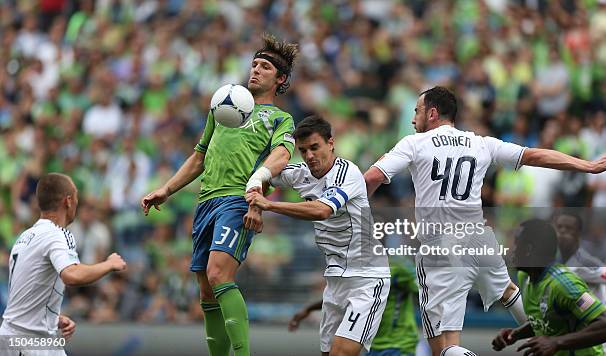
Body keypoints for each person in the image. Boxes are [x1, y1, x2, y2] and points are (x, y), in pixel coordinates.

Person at [363, 86, 606, 355]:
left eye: (417, 112)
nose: (413, 120)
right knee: (507, 290)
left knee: (444, 349)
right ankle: (550, 342)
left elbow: (371, 178)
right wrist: (587, 165)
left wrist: (357, 221)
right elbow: (535, 155)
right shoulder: (480, 142)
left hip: (440, 247)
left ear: (432, 113)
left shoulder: (414, 143)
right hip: (479, 239)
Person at [141, 33, 299, 356]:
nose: (255, 70)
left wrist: (256, 188)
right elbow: (199, 157)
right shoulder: (223, 108)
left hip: (238, 200)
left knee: (218, 273)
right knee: (206, 290)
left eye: (265, 67)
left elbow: (281, 156)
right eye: (254, 64)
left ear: (280, 79)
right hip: (206, 202)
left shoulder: (280, 119)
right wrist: (167, 189)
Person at [246, 115, 391, 356]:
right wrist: (254, 206)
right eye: (303, 150)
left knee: (340, 354)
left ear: (330, 143)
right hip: (335, 280)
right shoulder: (300, 174)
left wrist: (269, 206)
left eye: (315, 147)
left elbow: (322, 211)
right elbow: (261, 176)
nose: (310, 156)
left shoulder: (348, 174)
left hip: (367, 278)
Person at [0, 173, 127, 356]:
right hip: (31, 342)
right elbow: (72, 275)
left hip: (19, 337)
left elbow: (23, 295)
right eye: (76, 197)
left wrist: (51, 318)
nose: (77, 202)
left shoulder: (25, 236)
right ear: (68, 201)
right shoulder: (58, 234)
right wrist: (109, 264)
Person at [492, 219, 606, 355]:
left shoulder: (564, 285)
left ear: (528, 249)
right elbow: (548, 321)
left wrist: (556, 342)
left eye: (516, 244)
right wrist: (516, 334)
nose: (511, 249)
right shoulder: (525, 277)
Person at [289, 257, 421, 356]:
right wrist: (308, 309)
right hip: (371, 344)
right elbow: (341, 297)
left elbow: (425, 292)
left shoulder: (399, 268)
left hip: (399, 342)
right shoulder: (360, 267)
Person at [553, 211, 606, 355]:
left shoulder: (584, 262)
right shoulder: (557, 261)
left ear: (578, 234)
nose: (562, 232)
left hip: (602, 341)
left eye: (568, 228)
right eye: (559, 227)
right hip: (581, 335)